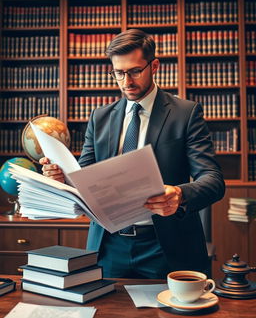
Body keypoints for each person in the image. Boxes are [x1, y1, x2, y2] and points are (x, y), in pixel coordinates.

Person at [40, 29, 225, 279]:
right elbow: (81, 178)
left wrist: (180, 194)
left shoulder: (185, 113)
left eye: (135, 71)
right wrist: (61, 178)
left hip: (166, 247)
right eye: (118, 73)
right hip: (108, 246)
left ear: (154, 66)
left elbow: (213, 180)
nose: (126, 81)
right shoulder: (100, 118)